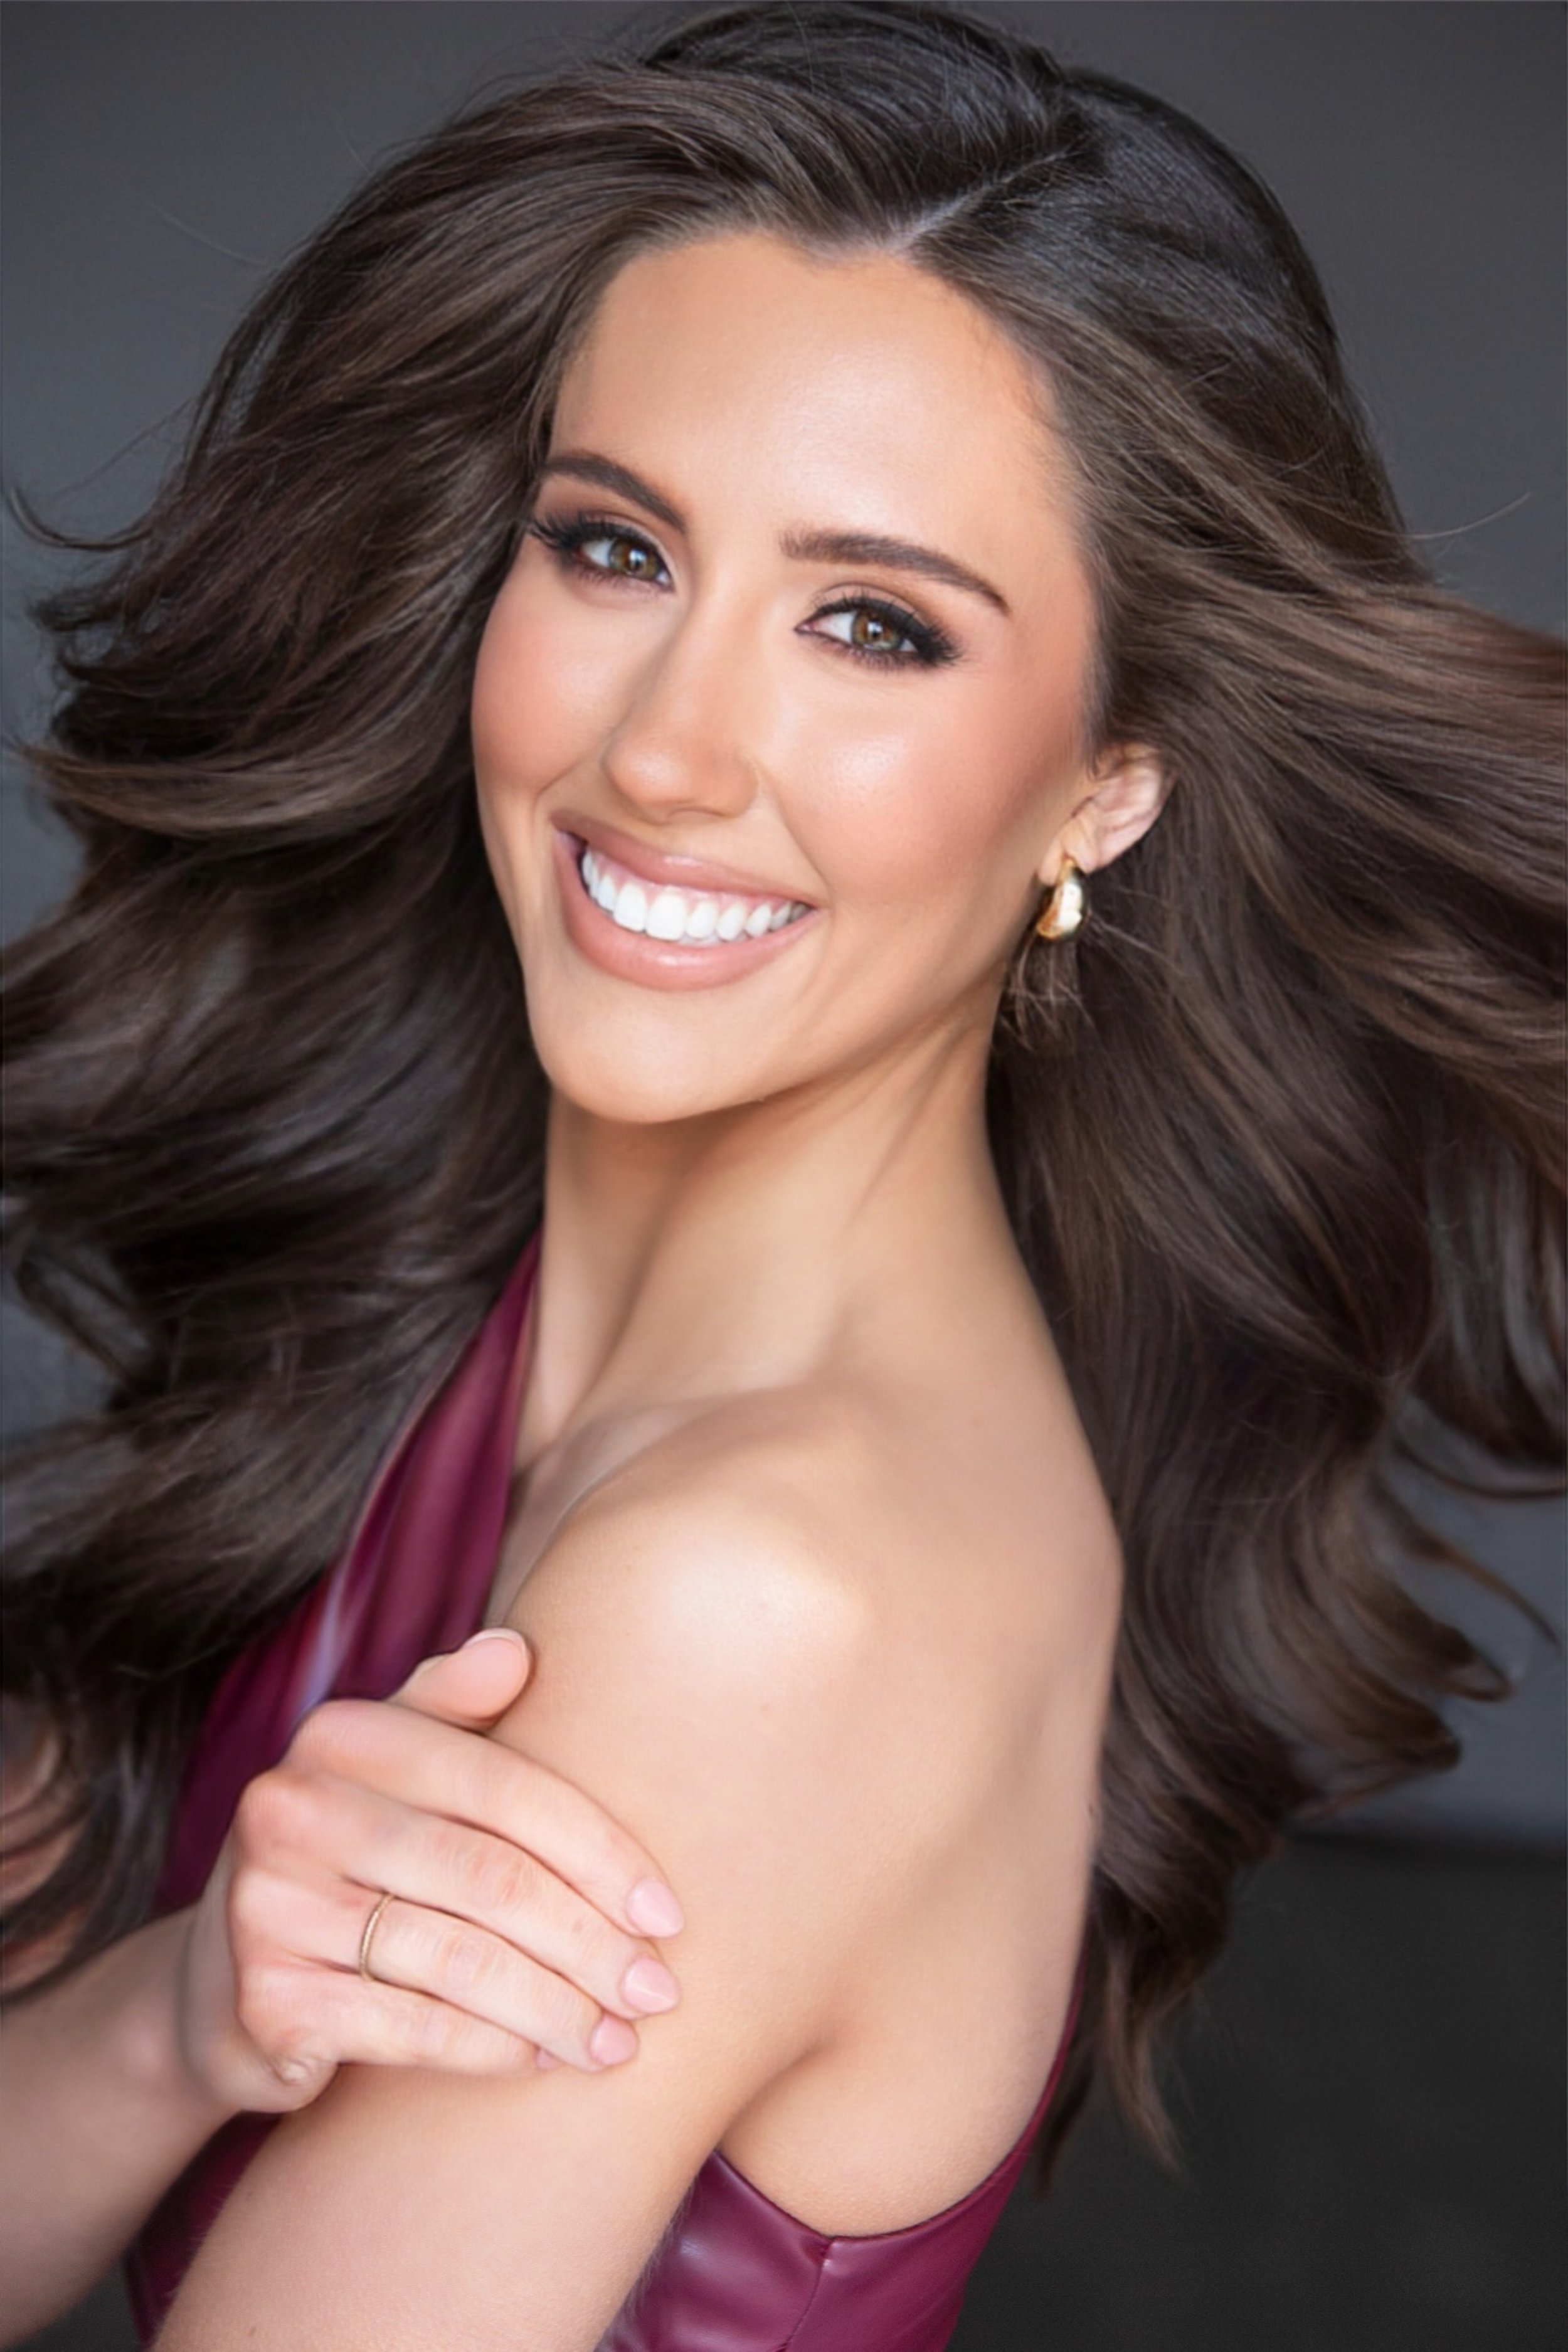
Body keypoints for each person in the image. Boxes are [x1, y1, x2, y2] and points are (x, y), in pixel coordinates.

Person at [1, 3, 1561, 2346]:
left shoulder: (756, 1604)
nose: (666, 750)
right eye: (612, 547)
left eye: (872, 624)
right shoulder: (403, 1319)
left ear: (1100, 788)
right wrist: (181, 2014)